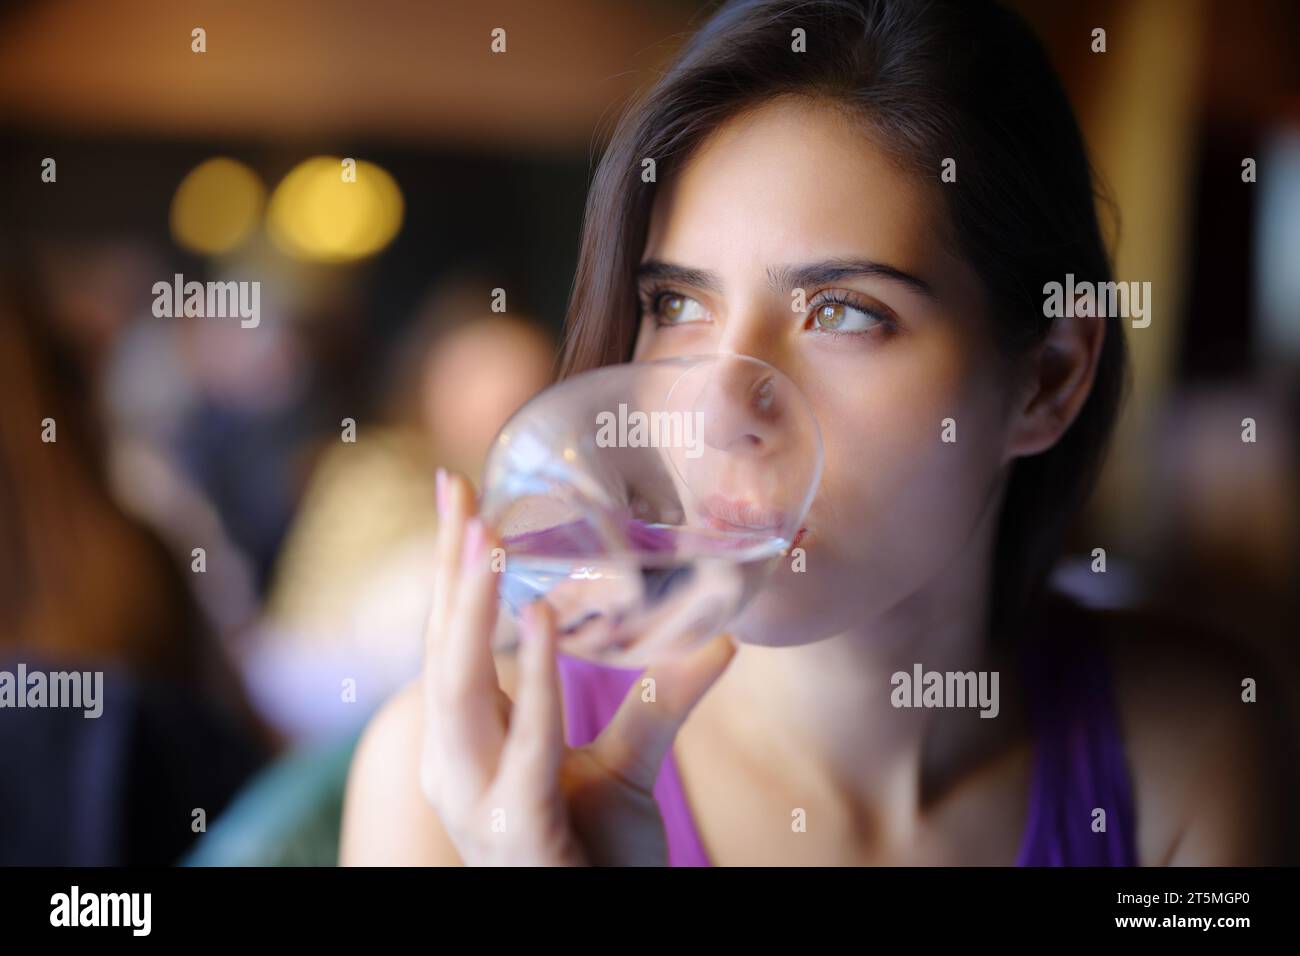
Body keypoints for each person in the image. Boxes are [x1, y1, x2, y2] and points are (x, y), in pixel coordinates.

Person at [338, 0, 1295, 865]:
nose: (717, 405)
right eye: (676, 301)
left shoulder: (1192, 753)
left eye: (842, 312)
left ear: (1046, 380)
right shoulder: (453, 782)